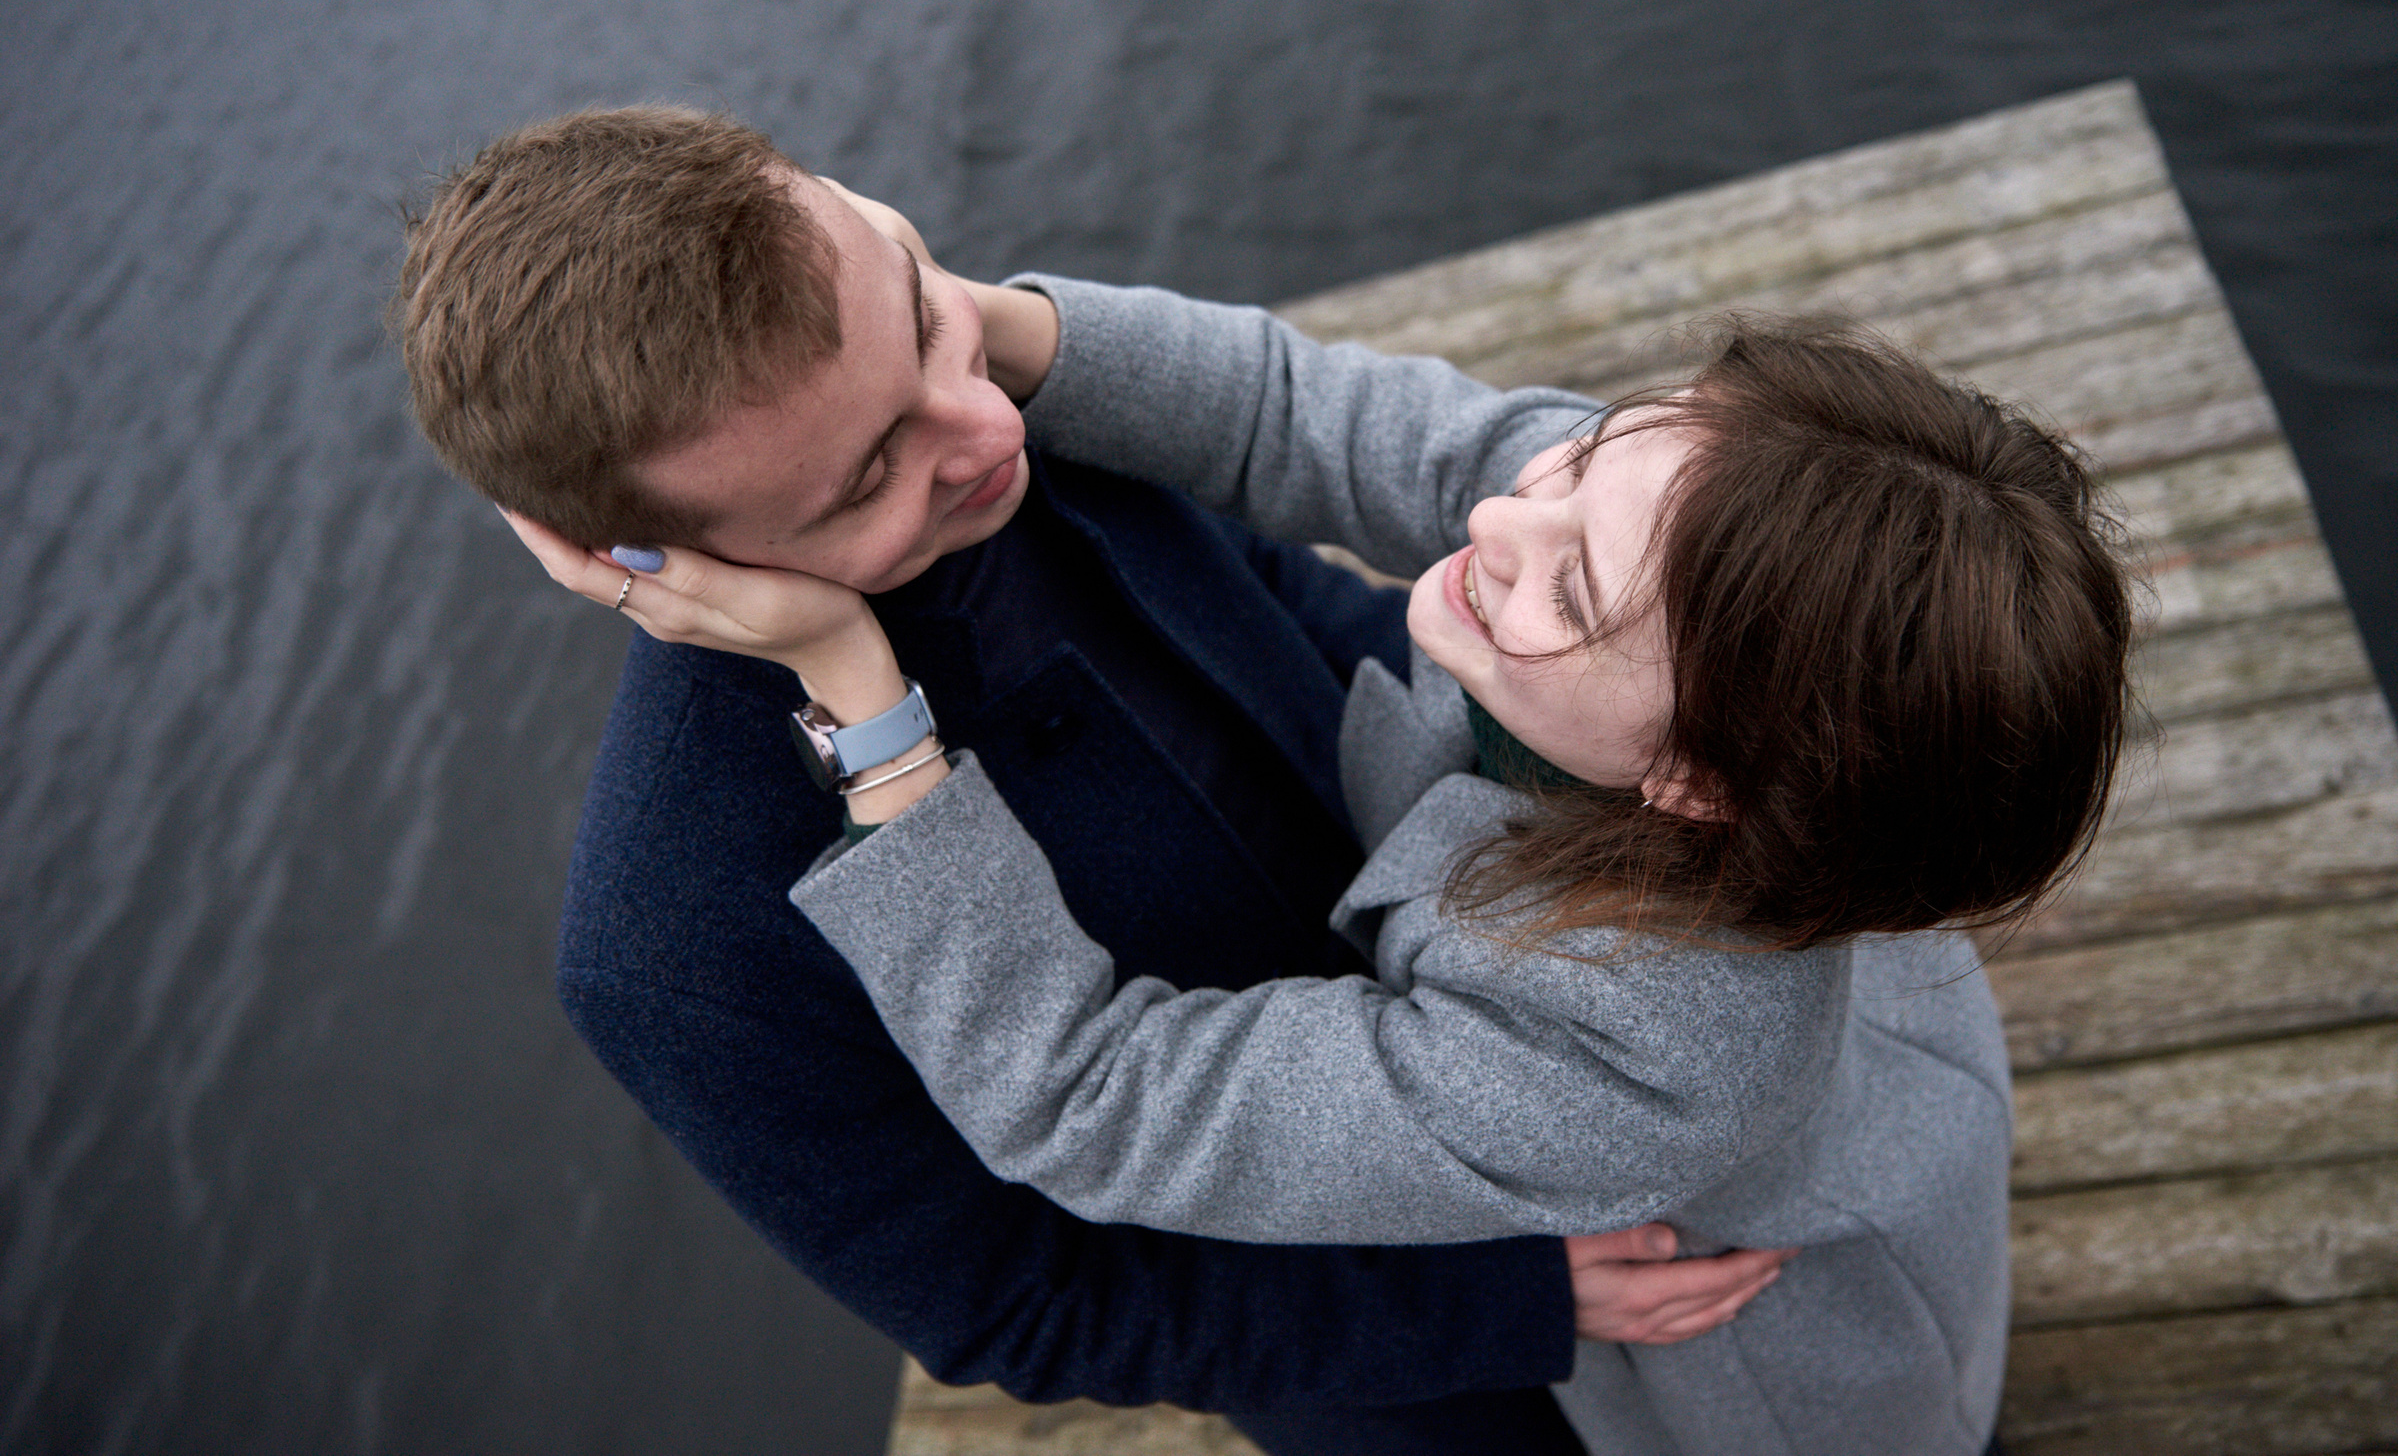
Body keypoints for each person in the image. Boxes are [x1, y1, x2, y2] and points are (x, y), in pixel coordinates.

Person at [517, 234, 2133, 1455]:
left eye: (1565, 589)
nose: (1497, 519)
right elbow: (1318, 418)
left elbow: (1093, 1096)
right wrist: (977, 321)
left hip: (1774, 1319)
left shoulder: (1670, 1033)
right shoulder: (1668, 551)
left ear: (1704, 780)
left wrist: (870, 714)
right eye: (1572, 459)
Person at [395, 105, 1781, 1456]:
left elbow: (1287, 601)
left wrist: (1579, 785)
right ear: (637, 557)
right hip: (1422, 1376)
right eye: (876, 470)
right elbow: (1018, 1298)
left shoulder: (1029, 425)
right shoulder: (671, 939)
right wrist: (1490, 1296)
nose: (986, 431)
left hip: (1559, 1086)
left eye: (926, 309)